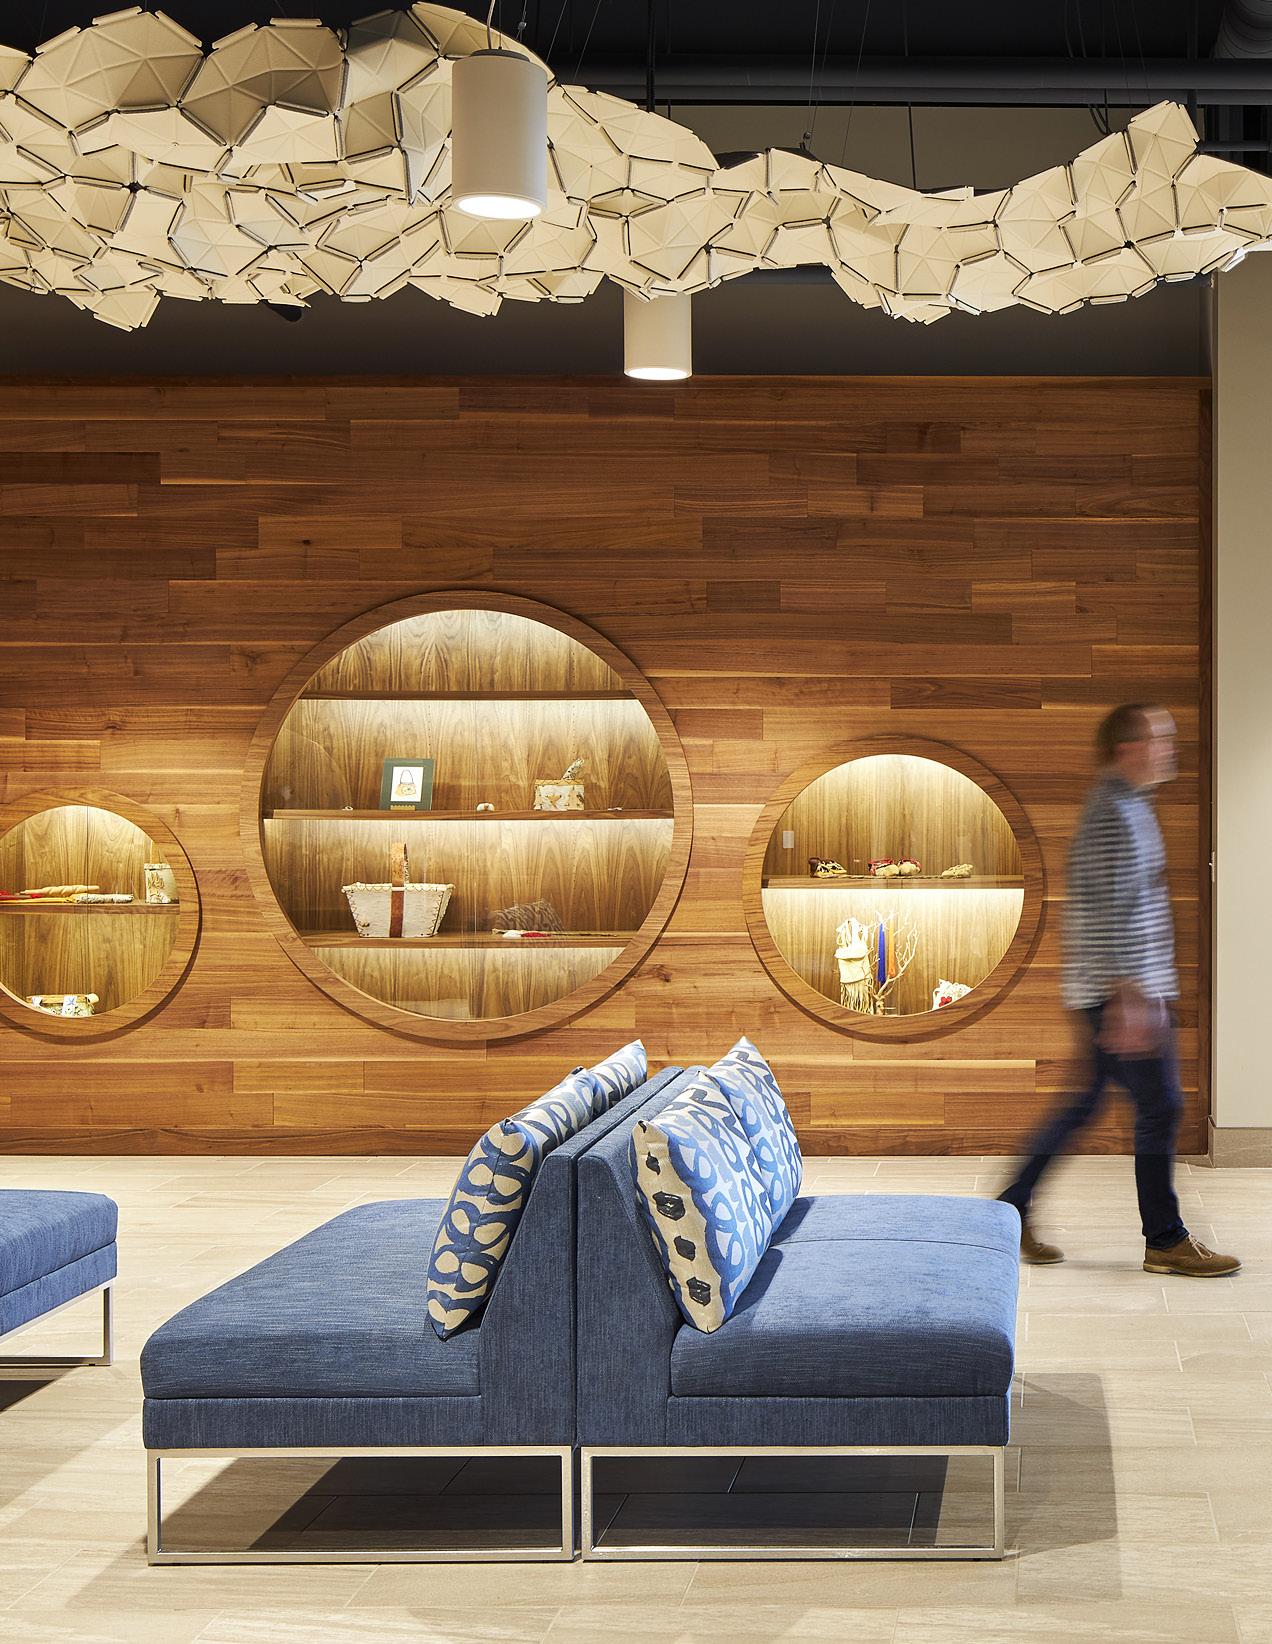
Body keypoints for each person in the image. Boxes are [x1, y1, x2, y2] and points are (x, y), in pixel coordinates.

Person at [998, 703, 1240, 1278]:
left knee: (1086, 1103)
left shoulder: (1125, 805)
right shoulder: (1114, 813)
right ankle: (1165, 1239)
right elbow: (1113, 912)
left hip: (1115, 992)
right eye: (1161, 739)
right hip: (1120, 996)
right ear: (1130, 747)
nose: (1170, 749)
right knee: (1161, 1105)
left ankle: (1009, 1209)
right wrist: (1130, 998)